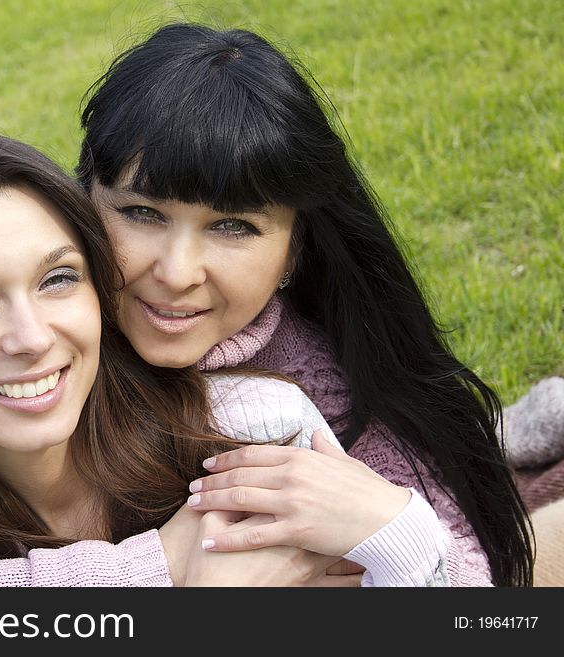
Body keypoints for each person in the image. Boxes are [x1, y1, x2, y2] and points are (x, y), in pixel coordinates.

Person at [0, 130, 450, 587]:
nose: (29, 336)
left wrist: (405, 534)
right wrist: (159, 572)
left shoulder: (249, 428)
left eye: (57, 279)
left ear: (101, 290)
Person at [76, 22, 533, 586]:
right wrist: (159, 570)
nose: (175, 273)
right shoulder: (26, 348)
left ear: (294, 250)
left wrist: (397, 531)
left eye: (233, 226)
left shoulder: (333, 390)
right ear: (83, 201)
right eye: (142, 213)